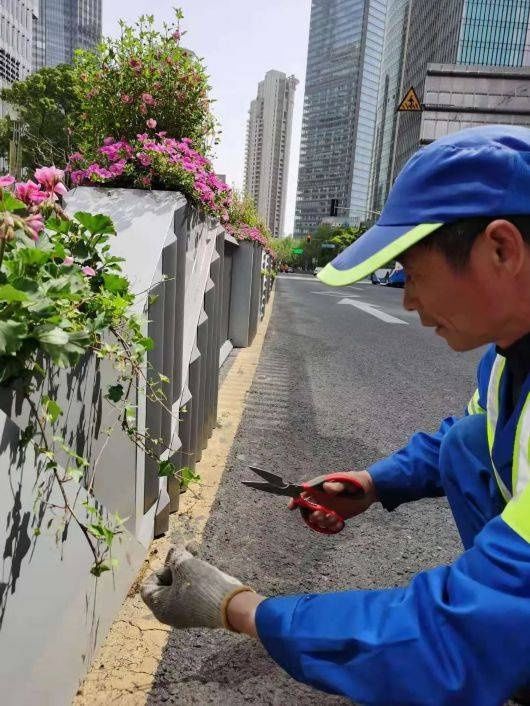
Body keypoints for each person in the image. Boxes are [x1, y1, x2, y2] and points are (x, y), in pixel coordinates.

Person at [141, 125, 530, 706]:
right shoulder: (509, 354)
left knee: (471, 643)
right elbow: (477, 436)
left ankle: (507, 653)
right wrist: (373, 484)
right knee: (470, 442)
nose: (408, 299)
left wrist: (241, 609)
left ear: (501, 249)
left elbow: (440, 635)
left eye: (414, 273)